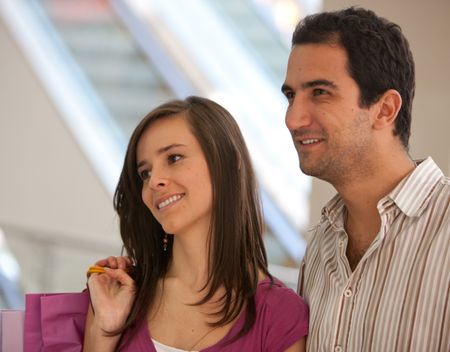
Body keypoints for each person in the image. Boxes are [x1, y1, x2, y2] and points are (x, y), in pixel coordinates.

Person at [281, 7, 450, 352]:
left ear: (385, 109)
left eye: (320, 92)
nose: (293, 119)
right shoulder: (320, 244)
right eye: (290, 96)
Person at [84, 96, 308, 351]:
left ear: (228, 162)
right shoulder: (118, 296)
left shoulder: (280, 315)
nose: (154, 180)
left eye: (174, 158)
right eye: (144, 173)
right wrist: (103, 331)